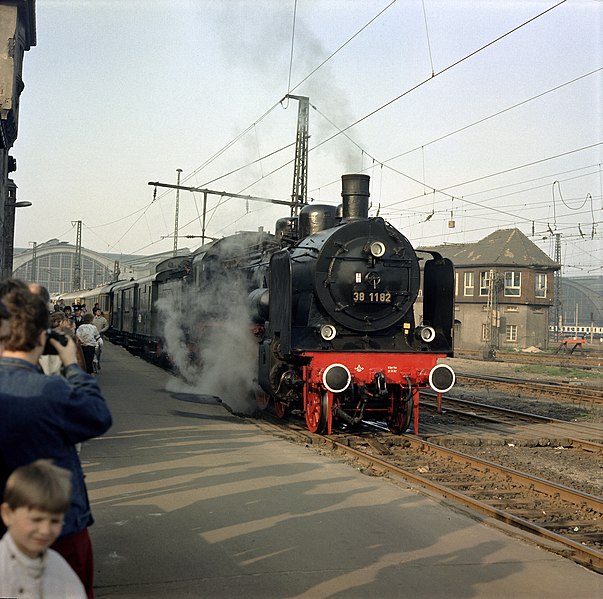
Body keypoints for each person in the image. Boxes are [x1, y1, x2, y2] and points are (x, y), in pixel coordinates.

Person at [0, 284, 112, 598]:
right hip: (57, 526)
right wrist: (73, 366)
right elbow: (98, 416)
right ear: (42, 337)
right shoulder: (52, 391)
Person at [0, 460, 86, 598]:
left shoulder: (60, 569)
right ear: (7, 514)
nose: (45, 530)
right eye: (36, 519)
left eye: (55, 521)